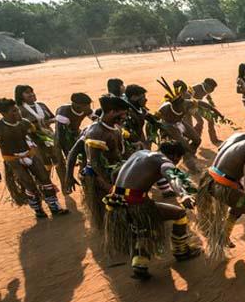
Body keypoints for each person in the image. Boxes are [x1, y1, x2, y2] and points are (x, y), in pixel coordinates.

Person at [103, 142, 202, 279]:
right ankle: (181, 251)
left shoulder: (139, 154)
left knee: (145, 224)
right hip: (135, 204)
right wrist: (183, 194)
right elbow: (173, 177)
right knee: (179, 213)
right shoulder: (164, 161)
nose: (176, 163)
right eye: (178, 161)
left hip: (114, 204)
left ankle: (139, 264)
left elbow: (115, 174)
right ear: (175, 156)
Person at [195, 112, 245, 259]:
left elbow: (223, 154)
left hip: (210, 180)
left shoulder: (239, 136)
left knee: (241, 202)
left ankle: (224, 235)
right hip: (222, 186)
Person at [0, 98, 69, 218]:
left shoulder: (25, 123)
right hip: (12, 159)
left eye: (17, 110)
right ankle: (38, 210)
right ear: (4, 113)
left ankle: (54, 207)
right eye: (14, 111)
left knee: (45, 178)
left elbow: (37, 137)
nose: (18, 113)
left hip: (30, 154)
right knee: (28, 184)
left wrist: (48, 149)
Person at [67, 94, 129, 230]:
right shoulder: (96, 132)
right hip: (98, 177)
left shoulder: (115, 127)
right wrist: (108, 185)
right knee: (107, 213)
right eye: (123, 114)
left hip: (115, 172)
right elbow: (94, 162)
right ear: (112, 112)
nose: (125, 117)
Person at [15, 85, 68, 193]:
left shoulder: (41, 105)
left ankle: (65, 185)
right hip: (34, 141)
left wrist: (53, 120)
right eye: (27, 93)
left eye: (32, 91)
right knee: (43, 165)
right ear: (20, 96)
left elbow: (52, 117)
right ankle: (46, 188)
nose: (31, 94)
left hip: (49, 137)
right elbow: (22, 125)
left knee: (59, 161)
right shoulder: (19, 110)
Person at [188, 78, 222, 146]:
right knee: (200, 121)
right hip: (190, 107)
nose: (213, 90)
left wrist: (211, 102)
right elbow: (187, 99)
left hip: (198, 106)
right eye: (212, 88)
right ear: (206, 85)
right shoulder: (194, 88)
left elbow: (208, 95)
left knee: (211, 120)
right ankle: (195, 139)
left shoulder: (206, 89)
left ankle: (214, 140)